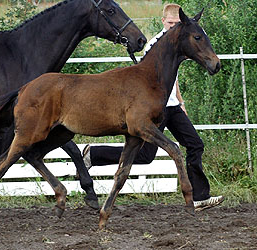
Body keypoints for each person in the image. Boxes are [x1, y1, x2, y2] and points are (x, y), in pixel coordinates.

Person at [82, 3, 224, 211]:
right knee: (145, 156)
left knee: (195, 144)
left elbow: (171, 78)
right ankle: (93, 155)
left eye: (178, 23)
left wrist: (180, 101)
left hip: (172, 106)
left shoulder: (180, 43)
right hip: (155, 106)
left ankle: (200, 197)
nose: (175, 26)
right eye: (171, 23)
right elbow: (150, 79)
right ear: (163, 21)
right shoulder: (156, 45)